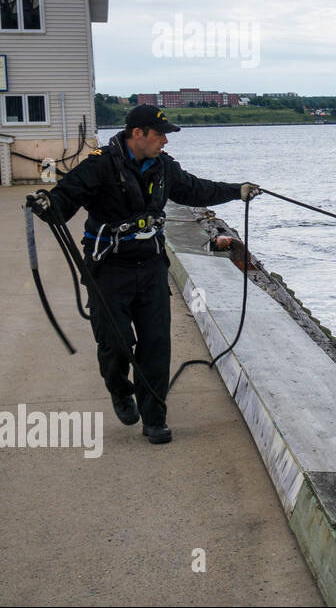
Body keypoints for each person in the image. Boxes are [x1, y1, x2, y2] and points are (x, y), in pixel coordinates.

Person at [29, 104, 258, 445]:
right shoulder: (99, 164)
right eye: (159, 134)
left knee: (155, 344)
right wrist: (48, 206)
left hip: (150, 267)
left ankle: (154, 419)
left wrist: (235, 190)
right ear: (138, 134)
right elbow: (66, 198)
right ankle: (120, 389)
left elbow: (197, 189)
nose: (165, 141)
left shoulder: (164, 168)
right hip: (108, 269)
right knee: (115, 343)